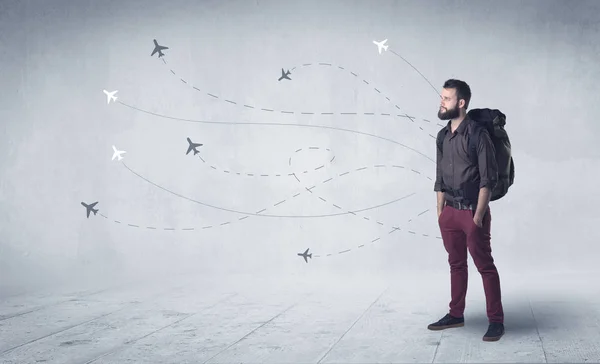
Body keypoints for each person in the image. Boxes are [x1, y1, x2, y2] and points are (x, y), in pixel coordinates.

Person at [428, 79, 505, 342]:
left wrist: (478, 217)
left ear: (460, 103)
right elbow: (439, 176)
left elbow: (488, 180)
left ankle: (496, 320)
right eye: (441, 97)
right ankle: (455, 314)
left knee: (485, 266)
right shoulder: (442, 136)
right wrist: (440, 212)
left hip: (473, 212)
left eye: (446, 98)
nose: (441, 102)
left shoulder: (477, 135)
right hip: (449, 212)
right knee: (456, 264)